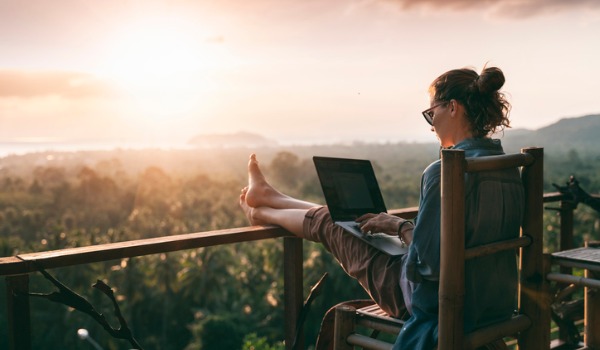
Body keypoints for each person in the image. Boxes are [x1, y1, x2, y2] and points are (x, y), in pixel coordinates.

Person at [239, 66, 524, 349]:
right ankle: (270, 198)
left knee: (332, 224)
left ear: (452, 108)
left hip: (436, 301)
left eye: (431, 113)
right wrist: (398, 230)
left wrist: (400, 228)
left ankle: (259, 212)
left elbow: (431, 266)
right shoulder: (506, 166)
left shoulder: (446, 171)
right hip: (492, 300)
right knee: (344, 217)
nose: (431, 124)